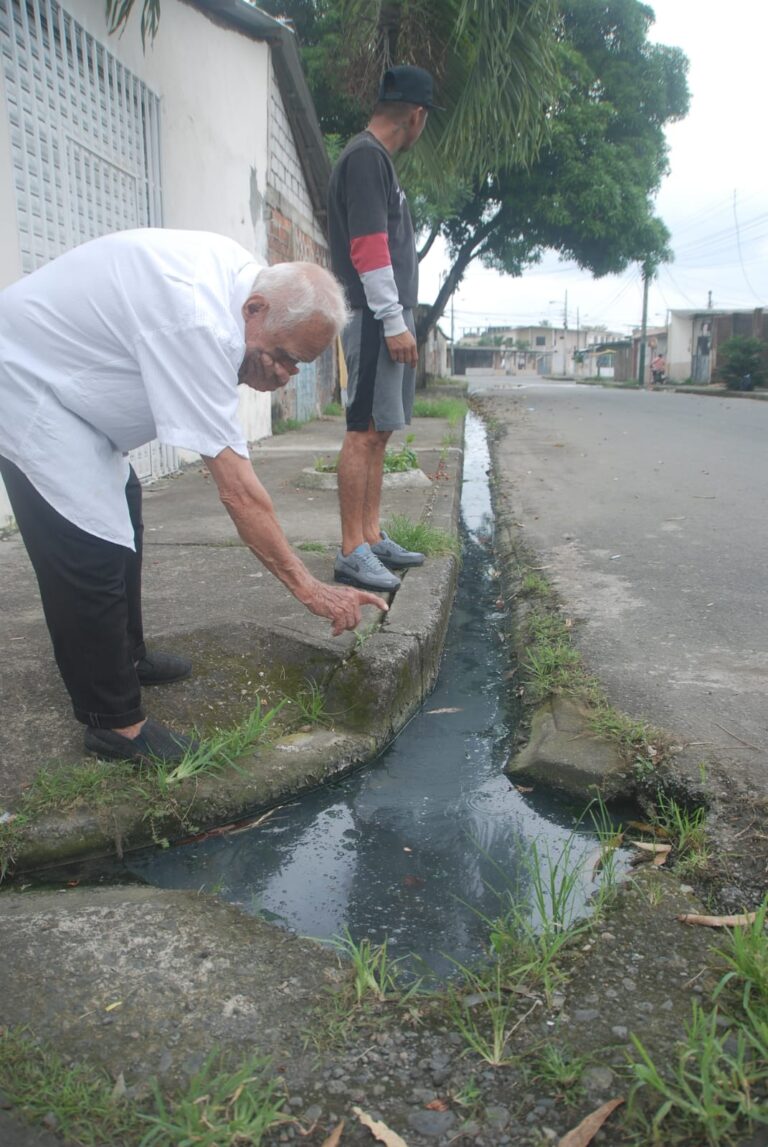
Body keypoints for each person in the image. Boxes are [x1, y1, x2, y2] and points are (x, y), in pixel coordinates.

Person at [0, 228, 388, 765]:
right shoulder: (201, 323)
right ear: (254, 310)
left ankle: (126, 656)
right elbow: (239, 493)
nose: (283, 375)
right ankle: (115, 725)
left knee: (124, 513)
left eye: (298, 365)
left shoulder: (244, 287)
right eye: (281, 356)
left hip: (73, 393)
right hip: (24, 382)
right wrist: (310, 590)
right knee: (89, 547)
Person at [328, 65, 442, 592]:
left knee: (380, 432)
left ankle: (371, 537)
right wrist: (394, 322)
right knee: (363, 432)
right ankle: (353, 549)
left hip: (387, 319)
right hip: (376, 320)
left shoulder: (375, 162)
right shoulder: (366, 159)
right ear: (416, 116)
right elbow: (369, 248)